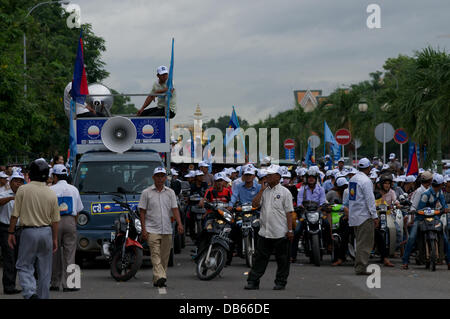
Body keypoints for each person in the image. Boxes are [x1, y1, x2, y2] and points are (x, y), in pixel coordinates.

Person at [7, 159, 60, 299]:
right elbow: (55, 220)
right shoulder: (51, 193)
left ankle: (30, 293)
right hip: (47, 232)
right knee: (45, 270)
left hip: (28, 232)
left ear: (31, 173)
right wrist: (54, 238)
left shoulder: (23, 190)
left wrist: (11, 232)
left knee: (24, 265)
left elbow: (14, 215)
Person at [245, 164, 294, 290]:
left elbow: (289, 212)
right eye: (267, 174)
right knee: (259, 259)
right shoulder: (264, 191)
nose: (267, 176)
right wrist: (261, 190)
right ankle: (253, 281)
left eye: (270, 174)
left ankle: (280, 282)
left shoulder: (285, 192)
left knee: (282, 260)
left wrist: (290, 230)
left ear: (278, 176)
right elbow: (254, 205)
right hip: (265, 232)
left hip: (280, 232)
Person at [138, 167, 184, 288]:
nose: (160, 178)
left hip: (167, 229)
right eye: (157, 176)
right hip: (151, 229)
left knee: (164, 256)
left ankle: (157, 278)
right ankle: (161, 276)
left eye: (162, 176)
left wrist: (179, 223)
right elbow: (142, 212)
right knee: (155, 254)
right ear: (153, 178)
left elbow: (174, 209)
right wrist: (144, 229)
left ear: (165, 178)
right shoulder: (146, 193)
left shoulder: (170, 192)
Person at [402, 174, 450, 270]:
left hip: (434, 216)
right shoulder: (425, 194)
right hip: (420, 218)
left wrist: (445, 209)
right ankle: (405, 261)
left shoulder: (439, 193)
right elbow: (420, 209)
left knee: (444, 238)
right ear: (440, 185)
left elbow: (443, 203)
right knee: (411, 238)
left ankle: (449, 261)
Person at [49, 164, 83, 292]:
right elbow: (78, 209)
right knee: (70, 253)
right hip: (70, 221)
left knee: (54, 252)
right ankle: (71, 284)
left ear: (55, 176)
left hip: (54, 222)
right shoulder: (73, 189)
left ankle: (54, 283)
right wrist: (73, 222)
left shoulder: (51, 189)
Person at [348, 158, 379, 275]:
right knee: (365, 243)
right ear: (369, 168)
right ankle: (361, 267)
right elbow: (370, 200)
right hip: (364, 216)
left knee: (359, 242)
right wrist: (374, 216)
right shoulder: (366, 181)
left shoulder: (353, 179)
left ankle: (359, 265)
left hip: (355, 215)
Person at [0, 170, 25, 294]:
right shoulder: (4, 193)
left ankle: (18, 284)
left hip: (20, 229)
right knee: (9, 257)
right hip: (6, 229)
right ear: (11, 182)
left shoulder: (25, 196)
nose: (18, 184)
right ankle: (9, 286)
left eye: (21, 181)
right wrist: (11, 198)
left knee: (18, 258)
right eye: (16, 181)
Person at [374, 174, 396, 267]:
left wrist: (397, 204)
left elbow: (395, 202)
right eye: (385, 183)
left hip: (389, 216)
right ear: (381, 184)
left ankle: (393, 249)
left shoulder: (392, 192)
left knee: (397, 229)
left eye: (389, 183)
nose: (387, 185)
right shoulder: (375, 193)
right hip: (376, 217)